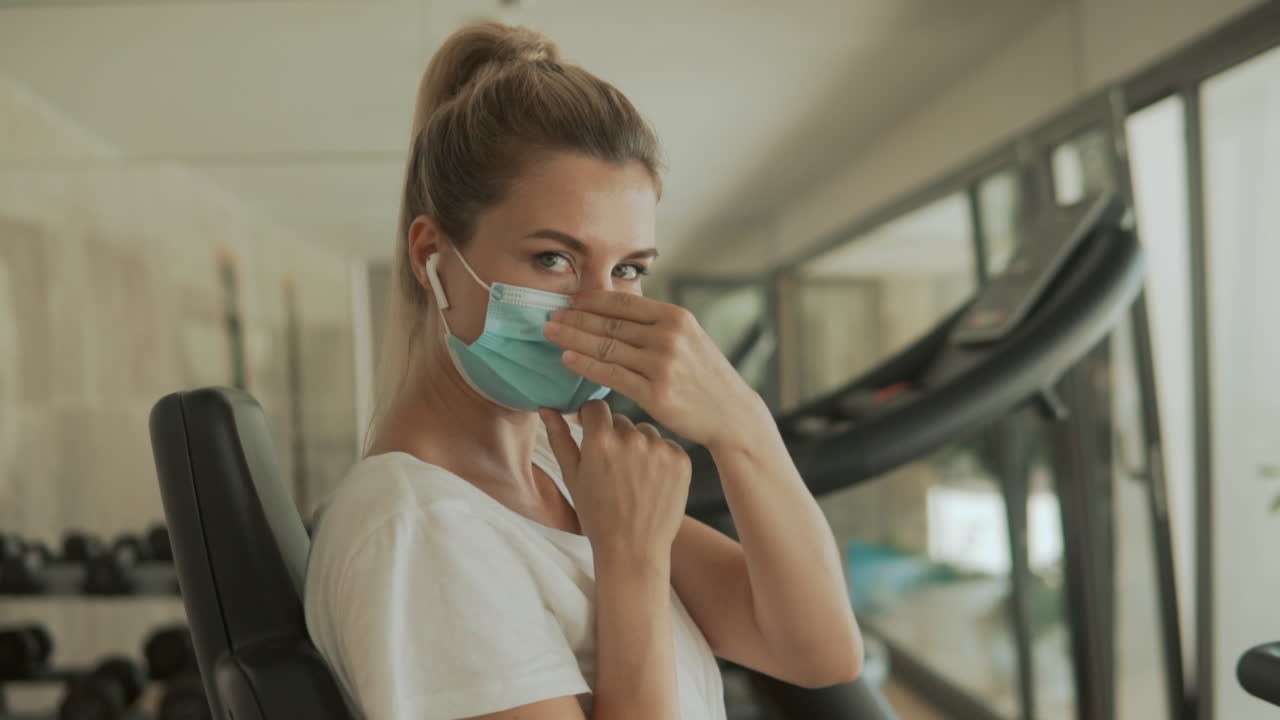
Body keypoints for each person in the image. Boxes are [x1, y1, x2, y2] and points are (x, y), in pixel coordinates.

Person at [304, 21, 862, 720]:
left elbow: (819, 653)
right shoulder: (422, 527)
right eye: (554, 259)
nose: (599, 306)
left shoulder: (556, 465)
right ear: (430, 255)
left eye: (628, 269)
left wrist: (741, 424)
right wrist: (630, 565)